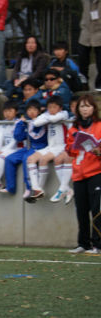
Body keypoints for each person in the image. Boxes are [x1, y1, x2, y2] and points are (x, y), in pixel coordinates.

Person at [65, 94, 101, 253]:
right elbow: (69, 150)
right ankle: (83, 243)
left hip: (96, 172)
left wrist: (97, 151)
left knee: (96, 210)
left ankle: (97, 244)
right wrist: (77, 146)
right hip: (78, 173)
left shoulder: (99, 126)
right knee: (81, 210)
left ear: (93, 108)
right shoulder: (73, 128)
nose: (85, 109)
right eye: (81, 106)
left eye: (87, 106)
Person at [24, 95, 70, 201]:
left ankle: (39, 189)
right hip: (50, 147)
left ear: (60, 108)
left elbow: (55, 118)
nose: (51, 110)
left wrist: (46, 118)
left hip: (61, 146)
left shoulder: (64, 113)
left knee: (43, 160)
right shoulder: (47, 115)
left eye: (54, 107)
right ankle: (36, 188)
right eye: (49, 107)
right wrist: (47, 118)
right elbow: (35, 122)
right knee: (30, 159)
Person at [10, 100, 47, 201]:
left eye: (34, 109)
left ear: (39, 111)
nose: (31, 112)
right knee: (16, 158)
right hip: (32, 148)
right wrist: (20, 124)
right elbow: (18, 137)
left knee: (28, 158)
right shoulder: (27, 123)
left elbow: (39, 136)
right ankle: (22, 187)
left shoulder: (43, 120)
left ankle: (31, 188)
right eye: (29, 109)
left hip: (43, 147)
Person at [77, 0, 101, 91]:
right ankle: (83, 83)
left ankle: (99, 85)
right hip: (86, 32)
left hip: (99, 32)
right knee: (82, 60)